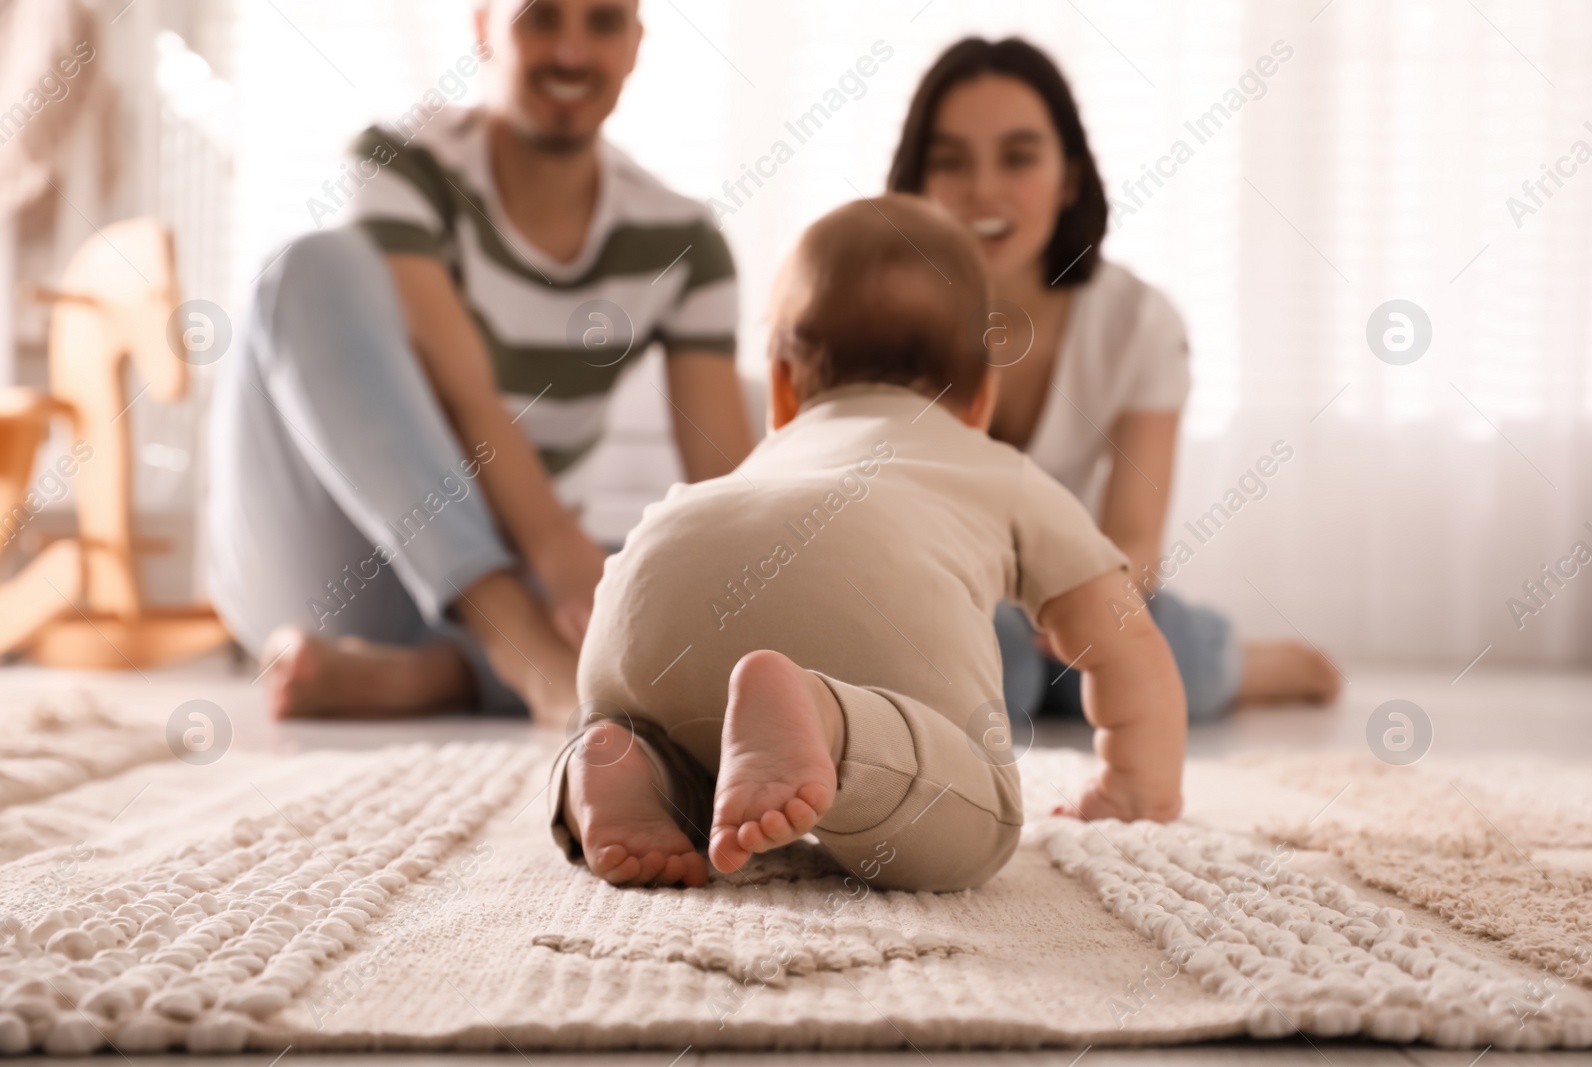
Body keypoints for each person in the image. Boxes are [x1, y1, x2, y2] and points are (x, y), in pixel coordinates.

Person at [552, 196, 1185, 891]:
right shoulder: (998, 468)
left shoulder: (773, 457)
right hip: (842, 620)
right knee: (976, 822)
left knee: (676, 743)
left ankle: (623, 757)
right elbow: (1119, 634)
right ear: (982, 398)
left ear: (785, 388)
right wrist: (1134, 784)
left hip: (652, 573)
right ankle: (832, 720)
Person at [206, 0, 753, 722]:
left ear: (636, 45)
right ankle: (517, 648)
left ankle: (425, 676)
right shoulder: (401, 164)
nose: (570, 52)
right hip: (337, 563)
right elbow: (467, 396)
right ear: (482, 29)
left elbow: (728, 493)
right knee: (308, 267)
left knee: (681, 564)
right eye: (540, 19)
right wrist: (556, 552)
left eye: (604, 22)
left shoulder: (684, 241)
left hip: (513, 569)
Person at [887, 37, 1340, 721]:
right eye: (951, 162)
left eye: (1018, 157)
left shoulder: (1139, 323)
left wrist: (1080, 606)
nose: (982, 189)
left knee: (1152, 658)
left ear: (1069, 178)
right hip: (936, 588)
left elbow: (1134, 537)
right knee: (998, 673)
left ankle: (1237, 661)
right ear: (917, 183)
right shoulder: (877, 315)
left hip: (1074, 579)